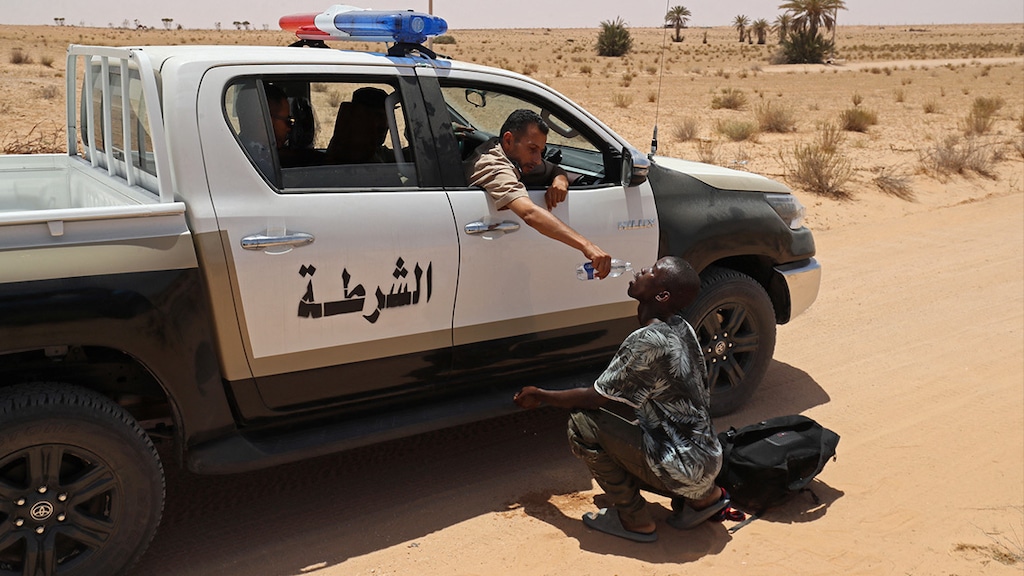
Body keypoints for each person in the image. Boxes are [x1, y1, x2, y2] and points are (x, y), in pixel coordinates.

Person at [513, 256, 728, 542]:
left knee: (582, 424)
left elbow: (594, 399)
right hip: (707, 459)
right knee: (636, 425)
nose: (641, 270)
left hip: (681, 465)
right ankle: (704, 499)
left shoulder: (649, 341)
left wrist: (541, 396)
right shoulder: (681, 326)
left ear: (662, 295)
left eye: (651, 271)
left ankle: (635, 519)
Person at [464, 109, 611, 279]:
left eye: (541, 151)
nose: (537, 159)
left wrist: (560, 180)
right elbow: (529, 213)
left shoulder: (513, 156)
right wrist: (587, 246)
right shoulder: (493, 166)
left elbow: (554, 169)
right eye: (532, 149)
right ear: (508, 140)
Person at [326, 86, 395, 164]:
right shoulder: (352, 152)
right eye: (378, 116)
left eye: (388, 117)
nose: (385, 125)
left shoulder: (373, 148)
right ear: (358, 117)